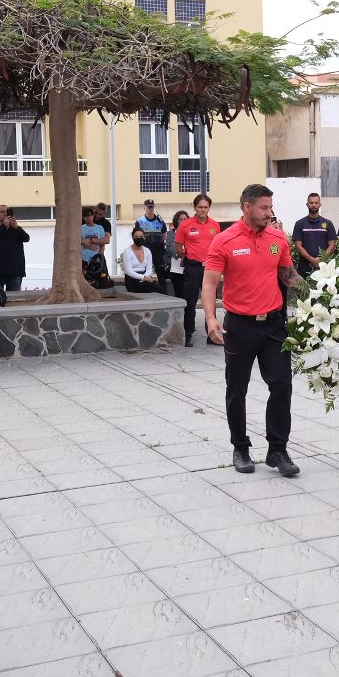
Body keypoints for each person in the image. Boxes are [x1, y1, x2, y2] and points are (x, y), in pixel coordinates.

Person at [203, 184, 301, 478]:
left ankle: (278, 449)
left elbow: (288, 275)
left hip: (273, 325)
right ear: (247, 207)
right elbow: (209, 283)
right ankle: (241, 448)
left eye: (271, 207)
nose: (269, 213)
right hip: (239, 326)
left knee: (282, 385)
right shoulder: (225, 240)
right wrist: (211, 319)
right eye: (263, 208)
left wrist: (322, 295)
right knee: (237, 390)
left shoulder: (277, 238)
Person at [177, 194, 221, 347]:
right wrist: (188, 255)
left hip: (210, 267)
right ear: (194, 207)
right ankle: (188, 334)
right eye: (200, 207)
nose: (203, 210)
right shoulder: (185, 225)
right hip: (193, 268)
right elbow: (178, 246)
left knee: (211, 302)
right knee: (190, 301)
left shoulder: (215, 225)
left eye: (206, 207)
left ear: (209, 208)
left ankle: (212, 335)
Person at [0, 205, 30, 292]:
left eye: (7, 212)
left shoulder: (16, 229)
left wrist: (17, 227)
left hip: (15, 271)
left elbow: (26, 238)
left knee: (13, 301)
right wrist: (3, 226)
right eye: (2, 212)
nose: (5, 214)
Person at [292, 193, 337, 279]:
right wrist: (312, 259)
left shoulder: (328, 223)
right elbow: (298, 246)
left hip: (324, 266)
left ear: (320, 204)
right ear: (307, 204)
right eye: (311, 203)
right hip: (304, 265)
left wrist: (321, 260)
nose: (313, 205)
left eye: (316, 203)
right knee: (304, 292)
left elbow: (332, 245)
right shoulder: (300, 224)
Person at [135, 200, 170, 289]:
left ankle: (163, 291)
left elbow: (164, 235)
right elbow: (136, 236)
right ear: (144, 208)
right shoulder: (140, 221)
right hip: (145, 250)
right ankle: (146, 289)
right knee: (145, 271)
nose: (150, 209)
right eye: (148, 207)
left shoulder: (160, 221)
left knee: (161, 272)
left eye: (152, 207)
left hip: (158, 250)